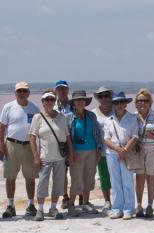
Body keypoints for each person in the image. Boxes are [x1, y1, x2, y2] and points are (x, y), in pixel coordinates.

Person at [0, 82, 40, 218]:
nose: (22, 93)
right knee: (10, 177)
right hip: (12, 144)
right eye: (19, 91)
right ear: (15, 93)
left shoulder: (34, 107)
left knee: (30, 177)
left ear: (28, 93)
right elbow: (1, 128)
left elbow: (40, 128)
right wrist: (1, 147)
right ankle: (10, 205)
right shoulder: (8, 107)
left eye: (24, 91)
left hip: (29, 145)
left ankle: (31, 205)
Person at [29, 90, 71, 221]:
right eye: (46, 100)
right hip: (44, 157)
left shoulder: (62, 117)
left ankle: (53, 208)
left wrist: (71, 154)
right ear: (42, 102)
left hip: (60, 157)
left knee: (58, 184)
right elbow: (32, 137)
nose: (49, 102)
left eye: (52, 99)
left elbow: (68, 137)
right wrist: (35, 156)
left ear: (55, 101)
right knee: (42, 184)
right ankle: (40, 210)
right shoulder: (38, 117)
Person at [103, 92, 139, 220]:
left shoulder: (132, 118)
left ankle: (129, 209)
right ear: (113, 104)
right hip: (112, 154)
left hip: (127, 154)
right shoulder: (109, 120)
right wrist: (118, 150)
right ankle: (117, 209)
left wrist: (124, 150)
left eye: (121, 102)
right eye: (116, 102)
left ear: (126, 104)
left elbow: (135, 136)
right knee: (115, 182)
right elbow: (106, 139)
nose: (119, 105)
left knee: (127, 182)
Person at [66, 90, 103, 215]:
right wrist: (71, 153)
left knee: (89, 178)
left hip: (92, 151)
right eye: (77, 100)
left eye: (82, 100)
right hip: (76, 153)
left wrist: (99, 149)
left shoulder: (91, 115)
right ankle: (71, 205)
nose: (80, 102)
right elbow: (66, 137)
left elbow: (97, 133)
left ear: (86, 102)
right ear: (73, 103)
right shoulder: (68, 117)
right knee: (76, 179)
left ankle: (85, 203)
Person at [134, 89, 154, 218]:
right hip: (138, 151)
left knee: (151, 178)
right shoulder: (133, 117)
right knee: (139, 177)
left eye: (146, 100)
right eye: (140, 100)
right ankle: (139, 205)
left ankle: (150, 206)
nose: (143, 103)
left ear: (150, 102)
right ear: (136, 103)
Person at [92, 86, 114, 213]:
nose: (104, 98)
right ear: (98, 98)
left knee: (117, 176)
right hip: (101, 150)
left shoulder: (117, 110)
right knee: (104, 176)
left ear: (111, 97)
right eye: (101, 96)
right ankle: (107, 201)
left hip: (116, 150)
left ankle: (118, 199)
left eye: (106, 95)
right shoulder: (93, 113)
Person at [53, 80, 74, 209]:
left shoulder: (73, 105)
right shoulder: (53, 106)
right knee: (63, 172)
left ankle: (79, 195)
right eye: (59, 89)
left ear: (67, 90)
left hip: (75, 140)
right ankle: (65, 197)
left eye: (64, 89)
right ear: (56, 91)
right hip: (60, 142)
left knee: (76, 171)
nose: (62, 91)